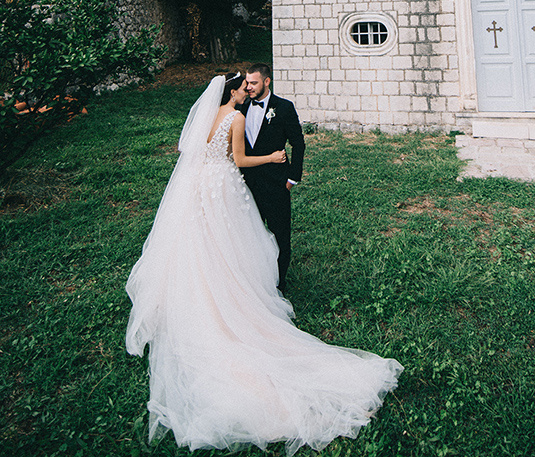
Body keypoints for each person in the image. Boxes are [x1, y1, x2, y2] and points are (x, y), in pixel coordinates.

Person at [125, 73, 402, 454]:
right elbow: (239, 159)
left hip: (200, 186)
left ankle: (199, 290)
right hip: (225, 184)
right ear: (233, 91)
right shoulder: (236, 117)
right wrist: (272, 157)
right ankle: (236, 293)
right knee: (231, 240)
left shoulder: (206, 115)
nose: (247, 92)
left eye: (250, 86)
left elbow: (189, 149)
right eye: (243, 88)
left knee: (203, 242)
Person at [239, 63, 304, 292]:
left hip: (276, 183)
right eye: (247, 82)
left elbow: (298, 143)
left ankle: (279, 284)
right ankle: (256, 279)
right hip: (247, 184)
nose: (248, 87)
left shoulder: (284, 108)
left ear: (267, 82)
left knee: (280, 235)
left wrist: (292, 178)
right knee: (251, 234)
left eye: (253, 83)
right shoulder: (240, 107)